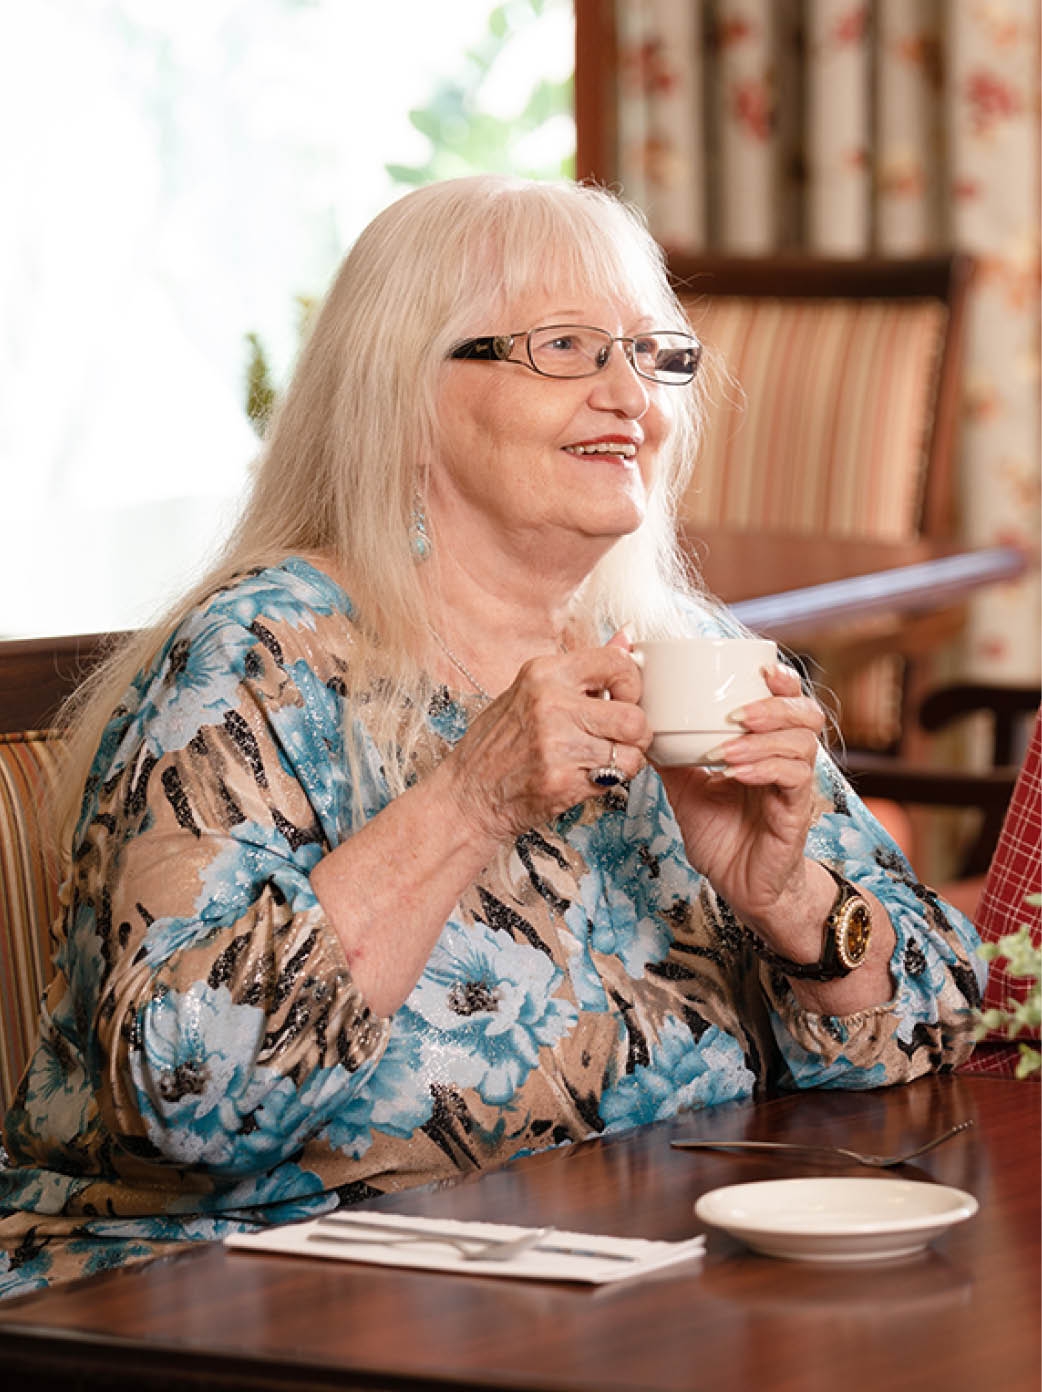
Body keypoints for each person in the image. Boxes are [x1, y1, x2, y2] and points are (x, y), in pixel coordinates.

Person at [0, 175, 984, 1298]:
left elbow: (936, 1026)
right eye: (565, 348)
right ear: (404, 388)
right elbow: (183, 1100)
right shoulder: (261, 660)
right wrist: (470, 799)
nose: (633, 398)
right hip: (235, 1304)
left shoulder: (676, 647)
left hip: (628, 1291)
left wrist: (785, 896)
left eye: (651, 354)